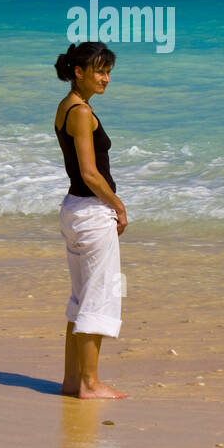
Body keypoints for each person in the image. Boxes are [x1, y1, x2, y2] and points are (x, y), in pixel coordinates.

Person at [54, 41, 128, 399]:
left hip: (73, 210)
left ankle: (72, 381)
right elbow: (90, 173)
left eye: (109, 72)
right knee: (98, 298)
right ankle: (89, 383)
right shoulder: (81, 112)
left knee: (80, 300)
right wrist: (119, 206)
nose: (106, 79)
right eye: (100, 71)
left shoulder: (65, 107)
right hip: (91, 211)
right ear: (79, 72)